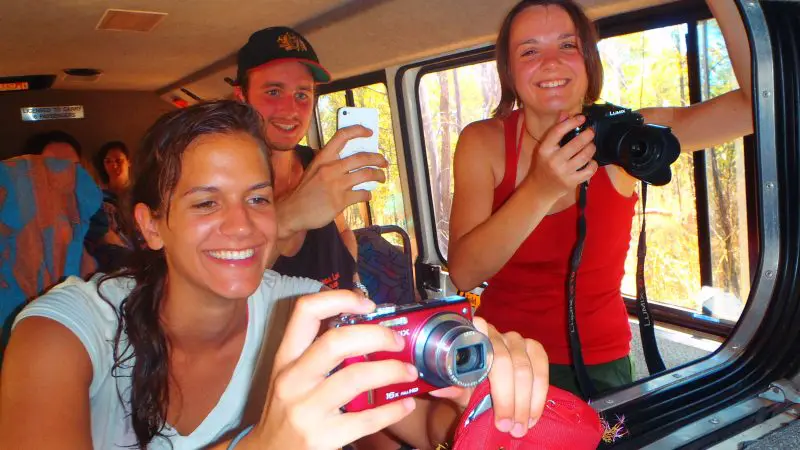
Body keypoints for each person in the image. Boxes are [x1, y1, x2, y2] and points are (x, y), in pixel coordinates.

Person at [0, 101, 549, 449]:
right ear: (151, 226)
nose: (241, 226)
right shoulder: (62, 332)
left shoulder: (310, 310)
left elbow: (426, 422)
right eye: (205, 204)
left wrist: (479, 392)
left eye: (257, 198)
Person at [447, 0, 752, 395]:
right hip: (505, 355)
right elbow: (464, 273)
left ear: (589, 60)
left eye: (567, 46)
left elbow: (752, 106)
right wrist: (541, 189)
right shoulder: (484, 142)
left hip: (599, 361)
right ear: (509, 71)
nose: (551, 62)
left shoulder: (628, 140)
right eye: (530, 51)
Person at [233, 26, 386, 294]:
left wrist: (354, 282)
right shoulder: (225, 183)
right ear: (242, 97)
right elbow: (225, 289)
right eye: (273, 92)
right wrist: (290, 215)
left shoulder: (317, 164)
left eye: (302, 95)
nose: (290, 110)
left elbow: (343, 232)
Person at [0, 131, 101, 365]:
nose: (62, 177)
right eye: (50, 166)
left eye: (71, 168)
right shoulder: (9, 229)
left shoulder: (101, 238)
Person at [86, 140, 135, 272]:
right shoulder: (97, 197)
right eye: (108, 161)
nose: (114, 166)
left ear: (128, 161)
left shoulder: (140, 193)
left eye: (119, 161)